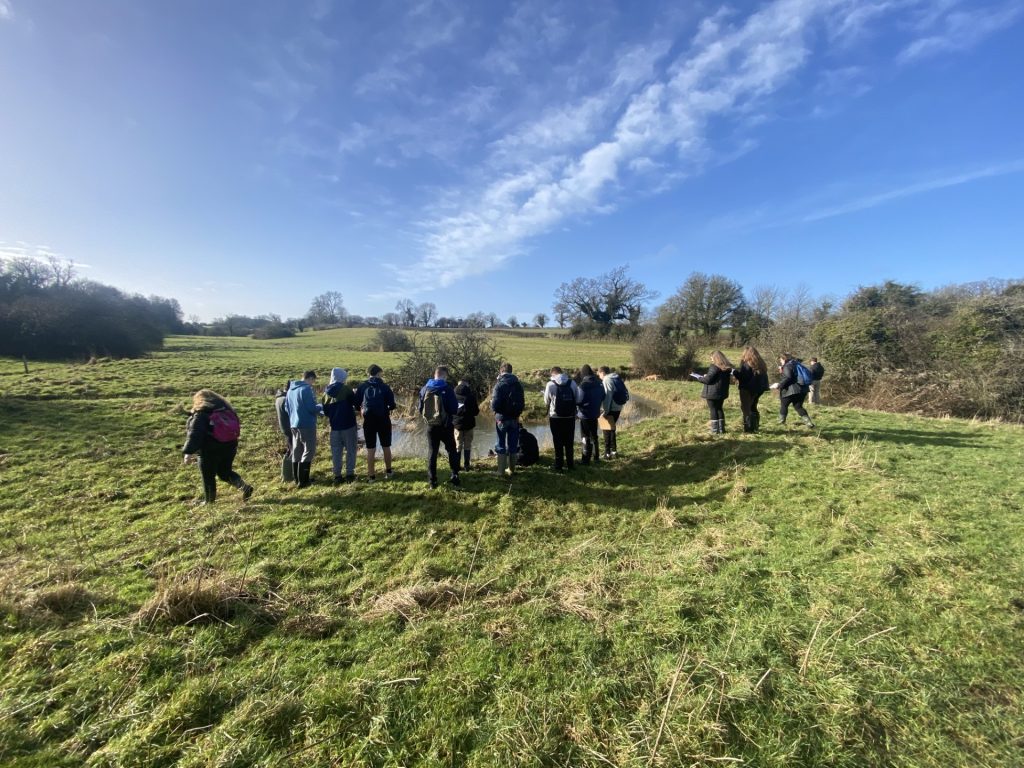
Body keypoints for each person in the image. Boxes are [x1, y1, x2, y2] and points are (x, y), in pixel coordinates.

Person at [182, 389, 253, 505]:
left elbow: (195, 433)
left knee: (208, 476)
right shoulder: (227, 410)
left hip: (209, 450)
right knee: (225, 472)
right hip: (229, 446)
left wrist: (188, 453)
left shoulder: (202, 414)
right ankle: (244, 487)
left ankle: (209, 501)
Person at [418, 366, 462, 488]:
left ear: (435, 374)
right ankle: (454, 475)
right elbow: (453, 409)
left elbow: (420, 409)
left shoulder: (424, 389)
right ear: (445, 375)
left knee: (432, 452)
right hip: (446, 425)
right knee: (451, 450)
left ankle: (432, 481)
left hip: (431, 426)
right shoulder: (447, 389)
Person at [355, 364, 396, 481]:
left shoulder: (362, 386)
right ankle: (389, 472)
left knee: (370, 448)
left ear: (369, 374)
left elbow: (356, 404)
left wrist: (363, 410)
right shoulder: (385, 387)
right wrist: (386, 408)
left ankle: (371, 476)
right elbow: (392, 405)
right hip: (383, 420)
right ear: (378, 373)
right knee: (386, 446)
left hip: (369, 421)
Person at [285, 370, 322, 487]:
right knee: (309, 450)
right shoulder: (306, 389)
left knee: (297, 450)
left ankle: (296, 478)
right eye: (313, 381)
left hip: (293, 424)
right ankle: (304, 480)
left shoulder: (291, 390)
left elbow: (286, 408)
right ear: (310, 378)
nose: (312, 383)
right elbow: (311, 408)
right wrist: (321, 406)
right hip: (306, 424)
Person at [322, 368, 358, 484]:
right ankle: (349, 474)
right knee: (351, 450)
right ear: (342, 377)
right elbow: (356, 404)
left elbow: (326, 412)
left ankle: (337, 475)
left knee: (336, 452)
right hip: (348, 425)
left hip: (334, 427)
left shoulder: (326, 393)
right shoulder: (346, 389)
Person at [490, 362, 525, 477]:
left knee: (500, 443)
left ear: (501, 371)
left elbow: (494, 405)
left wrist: (494, 409)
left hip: (502, 418)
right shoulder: (518, 384)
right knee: (513, 444)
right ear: (511, 371)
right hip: (514, 418)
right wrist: (517, 413)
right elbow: (522, 403)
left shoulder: (499, 384)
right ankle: (511, 470)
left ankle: (500, 471)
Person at [544, 366, 581, 471]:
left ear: (553, 374)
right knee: (569, 441)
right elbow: (577, 399)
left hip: (555, 417)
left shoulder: (550, 384)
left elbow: (546, 401)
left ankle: (558, 465)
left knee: (557, 441)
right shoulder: (572, 383)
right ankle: (570, 464)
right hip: (570, 417)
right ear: (562, 373)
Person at [691, 350, 733, 435]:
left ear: (715, 358)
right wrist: (708, 376)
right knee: (719, 409)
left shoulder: (714, 367)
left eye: (712, 358)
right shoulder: (727, 368)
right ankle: (721, 430)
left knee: (713, 409)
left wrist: (699, 378)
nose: (711, 360)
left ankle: (714, 430)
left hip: (712, 392)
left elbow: (708, 380)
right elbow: (717, 378)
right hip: (722, 392)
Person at [770, 353, 815, 427]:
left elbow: (788, 377)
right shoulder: (798, 364)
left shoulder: (787, 366)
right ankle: (809, 423)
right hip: (802, 389)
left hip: (791, 390)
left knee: (784, 405)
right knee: (798, 407)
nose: (781, 362)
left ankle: (781, 422)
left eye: (781, 360)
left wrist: (779, 385)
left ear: (784, 359)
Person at [733, 347, 770, 433]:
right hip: (759, 389)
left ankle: (748, 428)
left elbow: (743, 378)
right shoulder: (761, 364)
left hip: (747, 389)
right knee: (753, 407)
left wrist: (734, 372)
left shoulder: (747, 364)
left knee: (746, 408)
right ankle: (755, 427)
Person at [597, 366, 627, 458]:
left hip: (611, 408)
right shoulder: (616, 377)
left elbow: (608, 397)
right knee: (612, 429)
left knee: (606, 430)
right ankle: (614, 452)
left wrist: (605, 412)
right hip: (618, 407)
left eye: (599, 374)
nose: (599, 376)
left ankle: (607, 453)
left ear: (602, 373)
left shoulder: (606, 380)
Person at [577, 364, 604, 464]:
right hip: (595, 413)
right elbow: (603, 396)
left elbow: (578, 400)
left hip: (584, 414)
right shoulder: (599, 383)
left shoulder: (583, 385)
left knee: (585, 436)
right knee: (594, 435)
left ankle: (585, 459)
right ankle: (596, 457)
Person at [453, 378, 480, 471]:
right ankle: (466, 465)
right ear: (467, 384)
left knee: (458, 445)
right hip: (469, 424)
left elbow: (449, 409)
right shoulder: (471, 396)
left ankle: (456, 465)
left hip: (457, 425)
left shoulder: (453, 394)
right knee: (467, 445)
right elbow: (476, 412)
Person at [273, 382, 293, 482]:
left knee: (290, 449)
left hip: (284, 427)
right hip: (290, 427)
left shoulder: (279, 398)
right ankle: (288, 476)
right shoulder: (286, 400)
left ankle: (285, 475)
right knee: (292, 451)